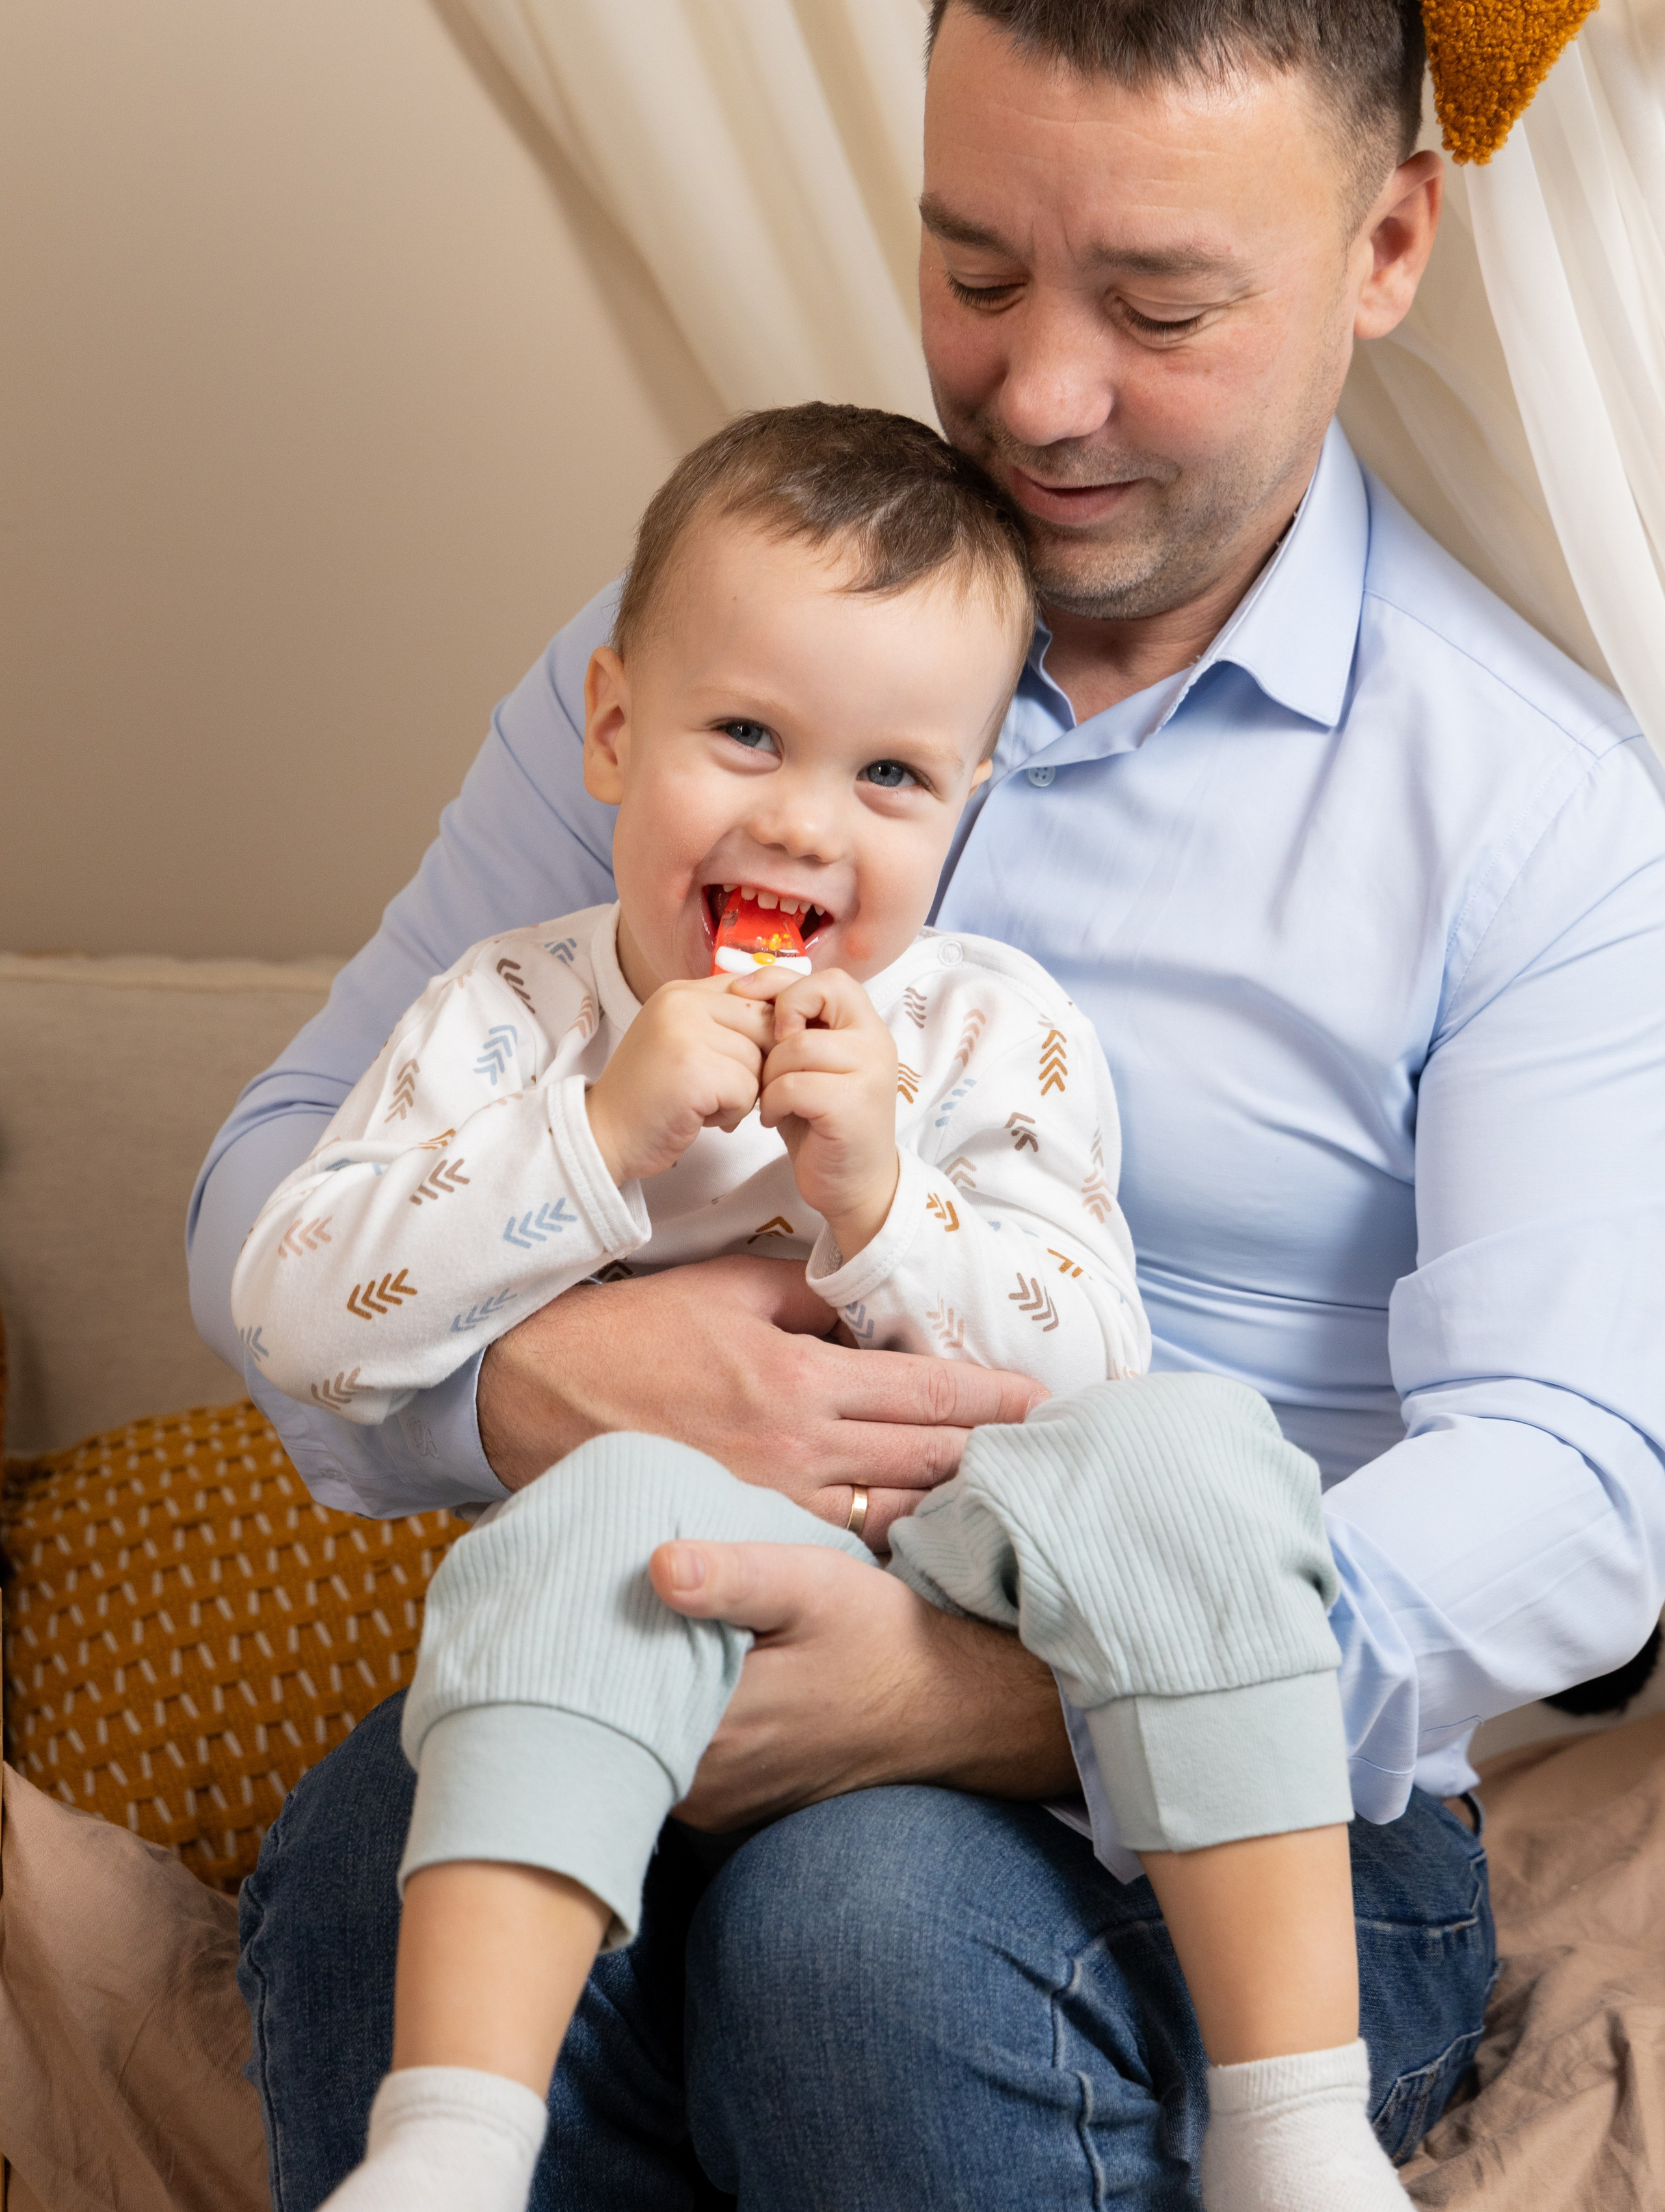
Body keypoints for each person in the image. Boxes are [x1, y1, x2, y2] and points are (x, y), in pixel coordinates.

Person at [193, 3, 1665, 2204]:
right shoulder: (703, 665)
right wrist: (539, 1386)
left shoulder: (1536, 818)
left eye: (1158, 305)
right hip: (658, 1619)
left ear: (1384, 244)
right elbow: (275, 1194)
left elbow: (1585, 1478)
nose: (1041, 397)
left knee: (859, 1928)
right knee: (371, 1857)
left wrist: (1001, 1687)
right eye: (975, 273)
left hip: (1234, 1802)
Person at [232, 404, 1396, 2212]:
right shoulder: (505, 1021)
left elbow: (1088, 1365)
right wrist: (591, 1143)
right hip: (650, 1593)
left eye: (890, 779)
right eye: (748, 735)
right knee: (598, 1513)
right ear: (615, 730)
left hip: (971, 1585)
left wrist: (883, 1202)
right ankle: (448, 2153)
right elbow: (299, 1311)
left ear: (967, 804)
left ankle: (1295, 2124)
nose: (801, 822)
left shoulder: (983, 1026)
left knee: (1195, 1457)